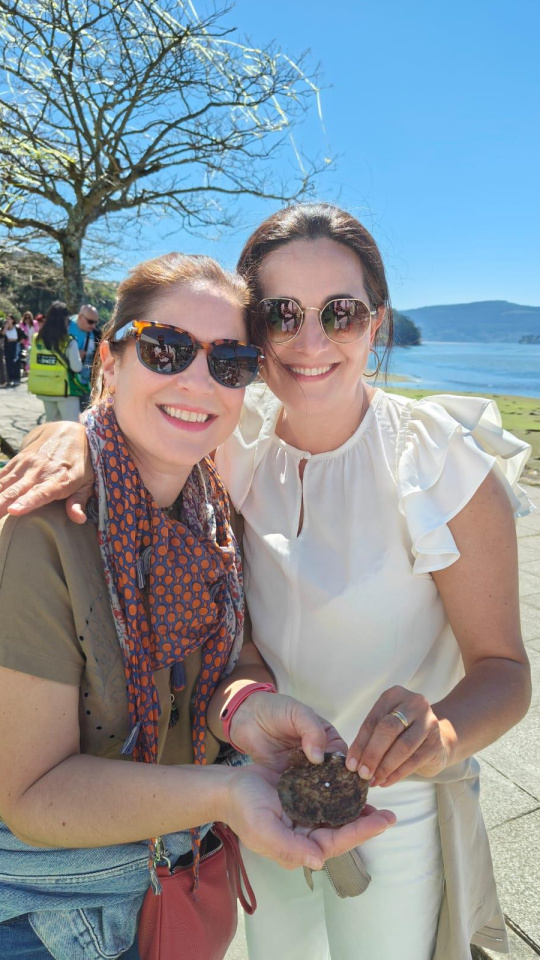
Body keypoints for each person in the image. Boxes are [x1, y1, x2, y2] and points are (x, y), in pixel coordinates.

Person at [0, 204, 533, 960]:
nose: (311, 341)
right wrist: (73, 433)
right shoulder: (229, 450)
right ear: (259, 338)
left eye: (340, 314)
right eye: (282, 315)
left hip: (395, 805)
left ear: (374, 326)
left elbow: (506, 671)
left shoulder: (440, 463)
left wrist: (439, 734)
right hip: (262, 792)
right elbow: (141, 423)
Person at [0, 251, 395, 960]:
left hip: (176, 892)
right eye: (165, 348)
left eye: (230, 361)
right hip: (51, 917)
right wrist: (222, 795)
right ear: (111, 364)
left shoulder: (213, 509)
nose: (197, 380)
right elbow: (30, 795)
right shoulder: (41, 531)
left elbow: (223, 665)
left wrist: (246, 709)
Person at [28, 301, 84, 422]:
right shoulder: (69, 342)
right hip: (65, 391)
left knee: (51, 425)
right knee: (70, 426)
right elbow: (76, 367)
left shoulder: (36, 339)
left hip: (44, 389)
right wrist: (80, 356)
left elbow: (30, 362)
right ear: (65, 321)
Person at [68, 304, 100, 409]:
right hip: (67, 384)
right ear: (80, 316)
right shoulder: (65, 326)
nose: (93, 326)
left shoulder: (96, 333)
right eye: (90, 322)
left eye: (96, 322)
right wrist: (74, 356)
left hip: (86, 385)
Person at [2, 313, 27, 386]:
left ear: (13, 320)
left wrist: (20, 341)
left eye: (9, 319)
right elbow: (2, 334)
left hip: (16, 345)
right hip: (8, 346)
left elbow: (24, 336)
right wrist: (6, 326)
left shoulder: (17, 328)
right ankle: (10, 379)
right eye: (7, 319)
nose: (8, 320)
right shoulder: (5, 328)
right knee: (8, 363)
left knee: (16, 362)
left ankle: (16, 378)